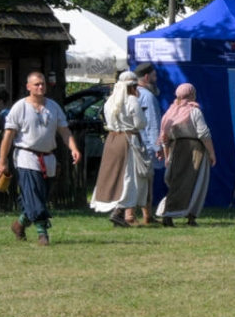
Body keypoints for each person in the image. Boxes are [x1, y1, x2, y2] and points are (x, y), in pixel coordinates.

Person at [0, 72, 81, 246]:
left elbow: (64, 130)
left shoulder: (53, 107)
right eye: (36, 84)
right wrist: (2, 161)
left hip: (48, 158)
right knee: (34, 195)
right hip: (26, 157)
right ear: (28, 87)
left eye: (42, 83)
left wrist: (73, 148)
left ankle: (19, 224)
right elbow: (8, 136)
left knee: (39, 198)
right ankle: (42, 234)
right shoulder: (20, 107)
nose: (40, 87)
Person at [90, 71, 149, 227]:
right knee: (130, 177)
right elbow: (140, 123)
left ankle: (120, 214)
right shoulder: (131, 100)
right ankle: (118, 212)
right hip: (128, 141)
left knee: (116, 176)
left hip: (112, 140)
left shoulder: (109, 101)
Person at [156, 83, 216, 227]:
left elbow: (165, 138)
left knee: (177, 183)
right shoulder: (194, 111)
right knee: (197, 182)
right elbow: (203, 133)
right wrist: (211, 152)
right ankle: (190, 217)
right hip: (195, 150)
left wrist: (167, 156)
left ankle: (169, 215)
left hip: (176, 149)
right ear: (191, 95)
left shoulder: (170, 113)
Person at [130, 62, 164, 225]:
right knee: (145, 181)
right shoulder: (148, 97)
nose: (156, 79)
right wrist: (158, 146)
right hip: (145, 145)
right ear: (146, 77)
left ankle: (146, 215)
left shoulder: (131, 95)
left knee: (133, 180)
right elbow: (153, 123)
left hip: (131, 143)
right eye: (154, 76)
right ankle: (134, 215)